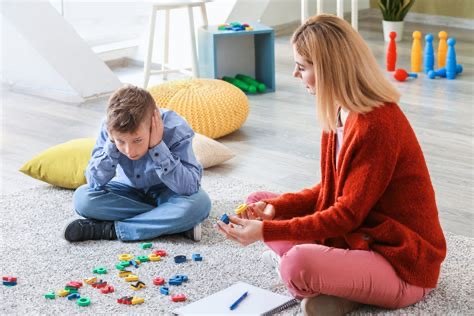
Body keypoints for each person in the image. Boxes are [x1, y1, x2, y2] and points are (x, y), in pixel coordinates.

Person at [217, 14, 446, 315]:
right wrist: (275, 212)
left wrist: (264, 232)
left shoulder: (376, 124)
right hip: (361, 238)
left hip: (402, 261)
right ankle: (347, 292)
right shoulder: (339, 111)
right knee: (259, 201)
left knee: (296, 264)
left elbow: (346, 214)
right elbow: (331, 189)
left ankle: (350, 287)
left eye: (302, 67)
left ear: (328, 70)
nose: (296, 76)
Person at [65, 85, 211, 242]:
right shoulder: (109, 127)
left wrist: (157, 147)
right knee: (83, 199)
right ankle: (173, 223)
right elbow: (94, 182)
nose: (130, 151)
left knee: (199, 204)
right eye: (121, 141)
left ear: (151, 125)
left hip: (169, 191)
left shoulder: (176, 128)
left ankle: (110, 230)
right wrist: (112, 144)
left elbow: (189, 186)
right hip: (128, 192)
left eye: (137, 140)